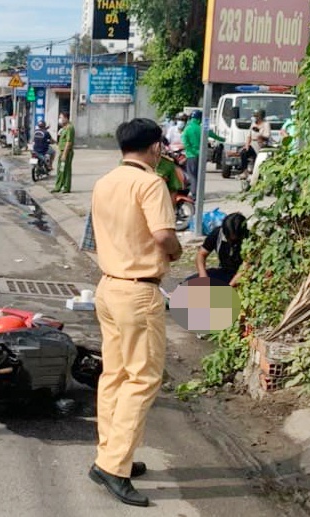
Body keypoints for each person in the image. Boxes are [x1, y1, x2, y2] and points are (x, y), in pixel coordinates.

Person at [89, 118, 182, 508]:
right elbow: (163, 235)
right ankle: (114, 465)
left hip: (109, 286)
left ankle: (108, 456)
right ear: (156, 148)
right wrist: (175, 252)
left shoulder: (105, 181)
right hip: (138, 291)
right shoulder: (151, 183)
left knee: (115, 375)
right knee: (142, 379)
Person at [190, 212, 247, 287]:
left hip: (243, 276)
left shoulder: (250, 240)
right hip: (224, 272)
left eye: (234, 240)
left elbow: (245, 267)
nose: (231, 242)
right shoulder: (217, 233)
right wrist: (203, 275)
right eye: (228, 238)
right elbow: (201, 255)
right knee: (189, 283)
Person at [181, 110, 223, 195]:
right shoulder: (203, 128)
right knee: (200, 175)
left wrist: (192, 151)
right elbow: (213, 135)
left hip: (191, 155)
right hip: (202, 155)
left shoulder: (187, 129)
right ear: (200, 119)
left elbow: (185, 142)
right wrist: (223, 139)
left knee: (192, 175)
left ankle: (194, 194)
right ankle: (199, 193)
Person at [239, 109, 271, 178]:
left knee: (258, 160)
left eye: (257, 116)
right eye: (255, 116)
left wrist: (260, 134)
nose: (256, 118)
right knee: (243, 153)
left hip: (261, 144)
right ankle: (245, 172)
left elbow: (267, 135)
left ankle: (257, 174)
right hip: (252, 144)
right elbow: (249, 135)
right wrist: (247, 145)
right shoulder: (253, 123)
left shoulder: (266, 124)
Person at [52, 112, 75, 193]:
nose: (60, 119)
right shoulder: (64, 128)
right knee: (61, 169)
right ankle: (59, 186)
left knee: (66, 170)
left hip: (67, 152)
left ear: (66, 118)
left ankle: (66, 187)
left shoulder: (70, 128)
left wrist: (64, 154)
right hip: (62, 152)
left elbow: (69, 142)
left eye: (61, 117)